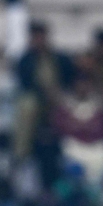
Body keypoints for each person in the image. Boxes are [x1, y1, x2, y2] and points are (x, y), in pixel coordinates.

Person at [14, 22, 75, 158]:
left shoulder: (60, 58)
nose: (38, 41)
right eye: (35, 37)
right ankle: (21, 153)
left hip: (60, 94)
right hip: (36, 97)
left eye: (40, 37)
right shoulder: (25, 60)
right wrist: (45, 93)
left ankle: (73, 148)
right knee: (27, 107)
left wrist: (60, 91)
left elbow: (70, 78)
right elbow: (25, 84)